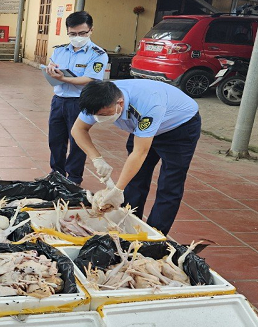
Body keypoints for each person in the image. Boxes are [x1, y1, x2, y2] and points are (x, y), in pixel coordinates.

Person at [71, 80, 201, 235]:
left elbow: (140, 152)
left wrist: (118, 189)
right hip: (141, 129)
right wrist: (96, 158)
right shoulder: (97, 99)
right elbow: (78, 130)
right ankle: (128, 225)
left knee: (169, 184)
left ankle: (153, 235)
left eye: (104, 115)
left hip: (178, 128)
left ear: (120, 103)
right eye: (96, 115)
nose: (99, 118)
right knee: (135, 179)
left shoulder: (148, 104)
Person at [43, 11, 108, 185]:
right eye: (72, 34)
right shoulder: (60, 50)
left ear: (91, 30)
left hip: (80, 102)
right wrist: (51, 70)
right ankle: (55, 174)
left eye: (82, 33)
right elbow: (51, 66)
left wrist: (63, 78)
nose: (77, 37)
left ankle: (73, 178)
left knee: (78, 141)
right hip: (59, 100)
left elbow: (90, 79)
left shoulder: (98, 54)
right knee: (56, 139)